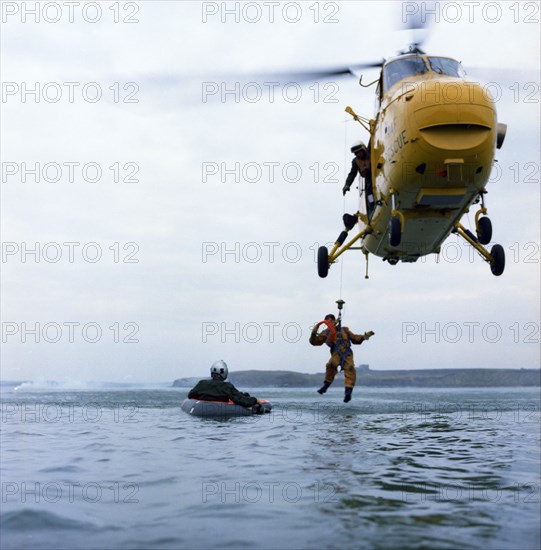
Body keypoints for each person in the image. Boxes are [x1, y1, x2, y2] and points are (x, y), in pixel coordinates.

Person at [310, 314, 374, 403]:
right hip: (336, 352)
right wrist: (313, 333)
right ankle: (326, 386)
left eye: (331, 320)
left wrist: (364, 337)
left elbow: (355, 338)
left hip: (347, 352)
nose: (330, 321)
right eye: (327, 320)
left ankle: (348, 392)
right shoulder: (326, 332)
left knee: (350, 368)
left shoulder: (345, 330)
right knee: (331, 365)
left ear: (334, 320)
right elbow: (315, 342)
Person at [188, 360, 264, 412]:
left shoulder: (202, 383)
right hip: (222, 410)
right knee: (245, 396)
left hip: (203, 410)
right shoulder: (227, 386)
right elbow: (242, 400)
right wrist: (254, 400)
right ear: (224, 372)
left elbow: (190, 395)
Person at [342, 141, 375, 218]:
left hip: (376, 173)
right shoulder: (355, 161)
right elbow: (352, 174)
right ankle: (372, 205)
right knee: (369, 192)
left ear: (363, 149)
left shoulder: (372, 153)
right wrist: (347, 185)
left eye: (359, 152)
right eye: (356, 153)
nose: (358, 154)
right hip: (368, 177)